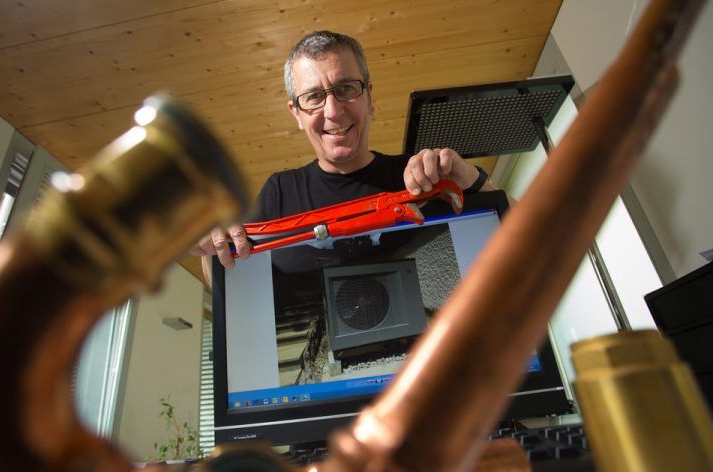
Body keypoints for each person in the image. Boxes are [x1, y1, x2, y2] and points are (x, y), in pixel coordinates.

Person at [191, 30, 501, 283]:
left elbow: (517, 238)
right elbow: (228, 282)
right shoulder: (278, 193)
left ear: (370, 98)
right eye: (313, 97)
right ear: (296, 114)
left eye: (347, 89)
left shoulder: (425, 177)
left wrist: (472, 179)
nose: (333, 111)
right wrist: (212, 244)